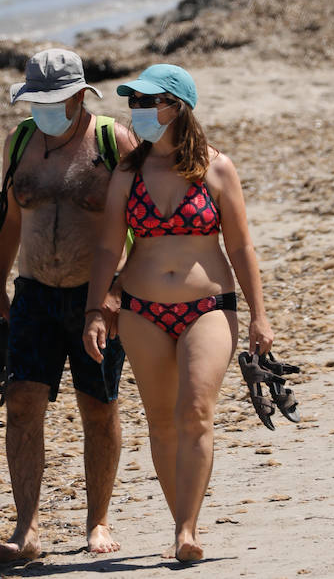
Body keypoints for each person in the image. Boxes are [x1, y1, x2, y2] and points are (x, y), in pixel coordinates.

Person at [83, 64, 274, 565]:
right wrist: (96, 309)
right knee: (161, 424)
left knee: (194, 412)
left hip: (208, 307)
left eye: (149, 102)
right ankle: (180, 522)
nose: (139, 111)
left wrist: (259, 315)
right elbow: (107, 248)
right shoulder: (128, 172)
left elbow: (241, 245)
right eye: (135, 103)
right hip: (142, 311)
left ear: (178, 107)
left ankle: (187, 529)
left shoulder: (216, 168)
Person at [0, 49, 136, 562]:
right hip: (33, 293)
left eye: (54, 101)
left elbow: (138, 228)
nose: (44, 109)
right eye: (37, 101)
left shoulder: (111, 140)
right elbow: (8, 221)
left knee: (98, 407)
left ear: (79, 96)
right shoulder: (21, 140)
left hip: (95, 296)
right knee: (21, 402)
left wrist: (116, 293)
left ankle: (98, 520)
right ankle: (26, 527)